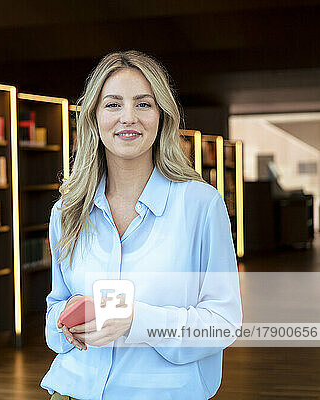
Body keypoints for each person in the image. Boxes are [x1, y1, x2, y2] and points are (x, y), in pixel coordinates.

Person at [40, 50, 242, 400]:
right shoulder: (66, 211)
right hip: (71, 390)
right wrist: (65, 322)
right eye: (113, 104)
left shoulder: (201, 206)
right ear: (94, 117)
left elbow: (223, 324)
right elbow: (54, 314)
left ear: (162, 116)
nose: (128, 117)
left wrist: (137, 321)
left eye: (144, 104)